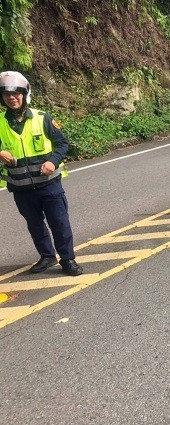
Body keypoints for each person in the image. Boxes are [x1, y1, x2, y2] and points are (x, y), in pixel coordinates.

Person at [0, 71, 83, 275]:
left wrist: (53, 162)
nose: (12, 97)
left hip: (49, 185)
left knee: (59, 223)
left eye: (16, 93)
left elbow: (62, 144)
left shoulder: (42, 118)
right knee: (35, 225)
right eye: (6, 94)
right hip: (21, 189)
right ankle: (47, 256)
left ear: (24, 93)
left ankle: (68, 259)